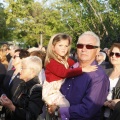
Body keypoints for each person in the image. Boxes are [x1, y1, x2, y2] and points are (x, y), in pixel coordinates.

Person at [48, 31, 109, 120]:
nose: (83, 49)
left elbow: (87, 110)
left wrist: (59, 111)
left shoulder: (99, 77)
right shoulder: (69, 68)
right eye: (80, 46)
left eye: (89, 46)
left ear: (97, 51)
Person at [42, 33, 97, 108]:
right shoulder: (51, 61)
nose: (63, 48)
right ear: (53, 47)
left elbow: (75, 65)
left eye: (66, 46)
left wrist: (85, 64)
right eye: (60, 45)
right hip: (52, 91)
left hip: (61, 88)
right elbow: (64, 73)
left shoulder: (65, 59)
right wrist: (82, 69)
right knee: (65, 105)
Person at [102, 43, 120, 120]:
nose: (113, 56)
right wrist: (103, 102)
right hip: (101, 114)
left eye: (117, 54)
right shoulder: (104, 72)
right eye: (112, 53)